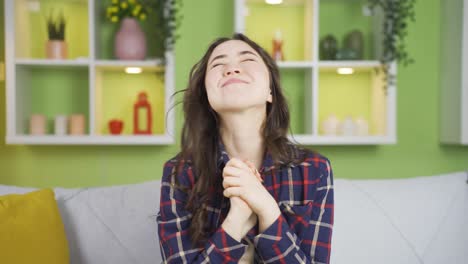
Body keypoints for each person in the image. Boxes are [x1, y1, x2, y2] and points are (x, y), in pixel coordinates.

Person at [157, 33, 334, 263]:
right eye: (218, 63)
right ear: (207, 95)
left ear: (270, 91)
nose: (231, 69)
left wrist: (266, 208)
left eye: (247, 60)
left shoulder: (314, 169)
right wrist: (237, 219)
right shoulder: (178, 172)